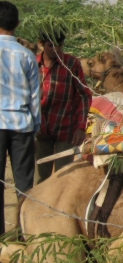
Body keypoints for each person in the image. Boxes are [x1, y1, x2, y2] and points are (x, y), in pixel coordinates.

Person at [0, 1, 41, 236]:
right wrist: (35, 128)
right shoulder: (26, 56)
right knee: (24, 185)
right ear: (17, 23)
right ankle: (24, 235)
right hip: (21, 125)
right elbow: (35, 96)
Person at [35, 29, 91, 182]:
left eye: (59, 46)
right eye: (51, 46)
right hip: (40, 130)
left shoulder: (71, 63)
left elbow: (83, 95)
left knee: (62, 178)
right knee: (40, 178)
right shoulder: (33, 63)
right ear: (41, 44)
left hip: (66, 130)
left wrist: (80, 127)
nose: (56, 50)